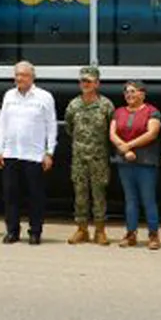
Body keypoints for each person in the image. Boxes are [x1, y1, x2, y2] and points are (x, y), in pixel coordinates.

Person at [0, 61, 57, 245]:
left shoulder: (44, 97)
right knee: (10, 195)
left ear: (32, 77)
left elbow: (51, 126)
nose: (19, 78)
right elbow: (2, 124)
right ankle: (12, 231)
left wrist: (49, 152)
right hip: (11, 153)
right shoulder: (9, 96)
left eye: (23, 75)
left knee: (35, 196)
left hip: (34, 155)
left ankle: (35, 232)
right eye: (17, 75)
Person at [63, 66, 116, 246]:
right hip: (79, 158)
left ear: (97, 84)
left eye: (89, 81)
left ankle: (100, 230)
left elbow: (111, 131)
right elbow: (69, 128)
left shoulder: (106, 105)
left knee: (99, 195)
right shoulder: (74, 105)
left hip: (99, 158)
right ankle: (82, 229)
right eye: (82, 81)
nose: (85, 84)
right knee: (80, 195)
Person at [109, 79, 161, 250]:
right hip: (125, 161)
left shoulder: (152, 111)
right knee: (130, 199)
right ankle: (130, 233)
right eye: (126, 92)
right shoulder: (118, 112)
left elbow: (152, 133)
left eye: (133, 91)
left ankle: (153, 234)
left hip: (146, 162)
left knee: (148, 199)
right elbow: (112, 134)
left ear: (142, 94)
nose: (129, 95)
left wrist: (129, 145)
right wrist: (124, 150)